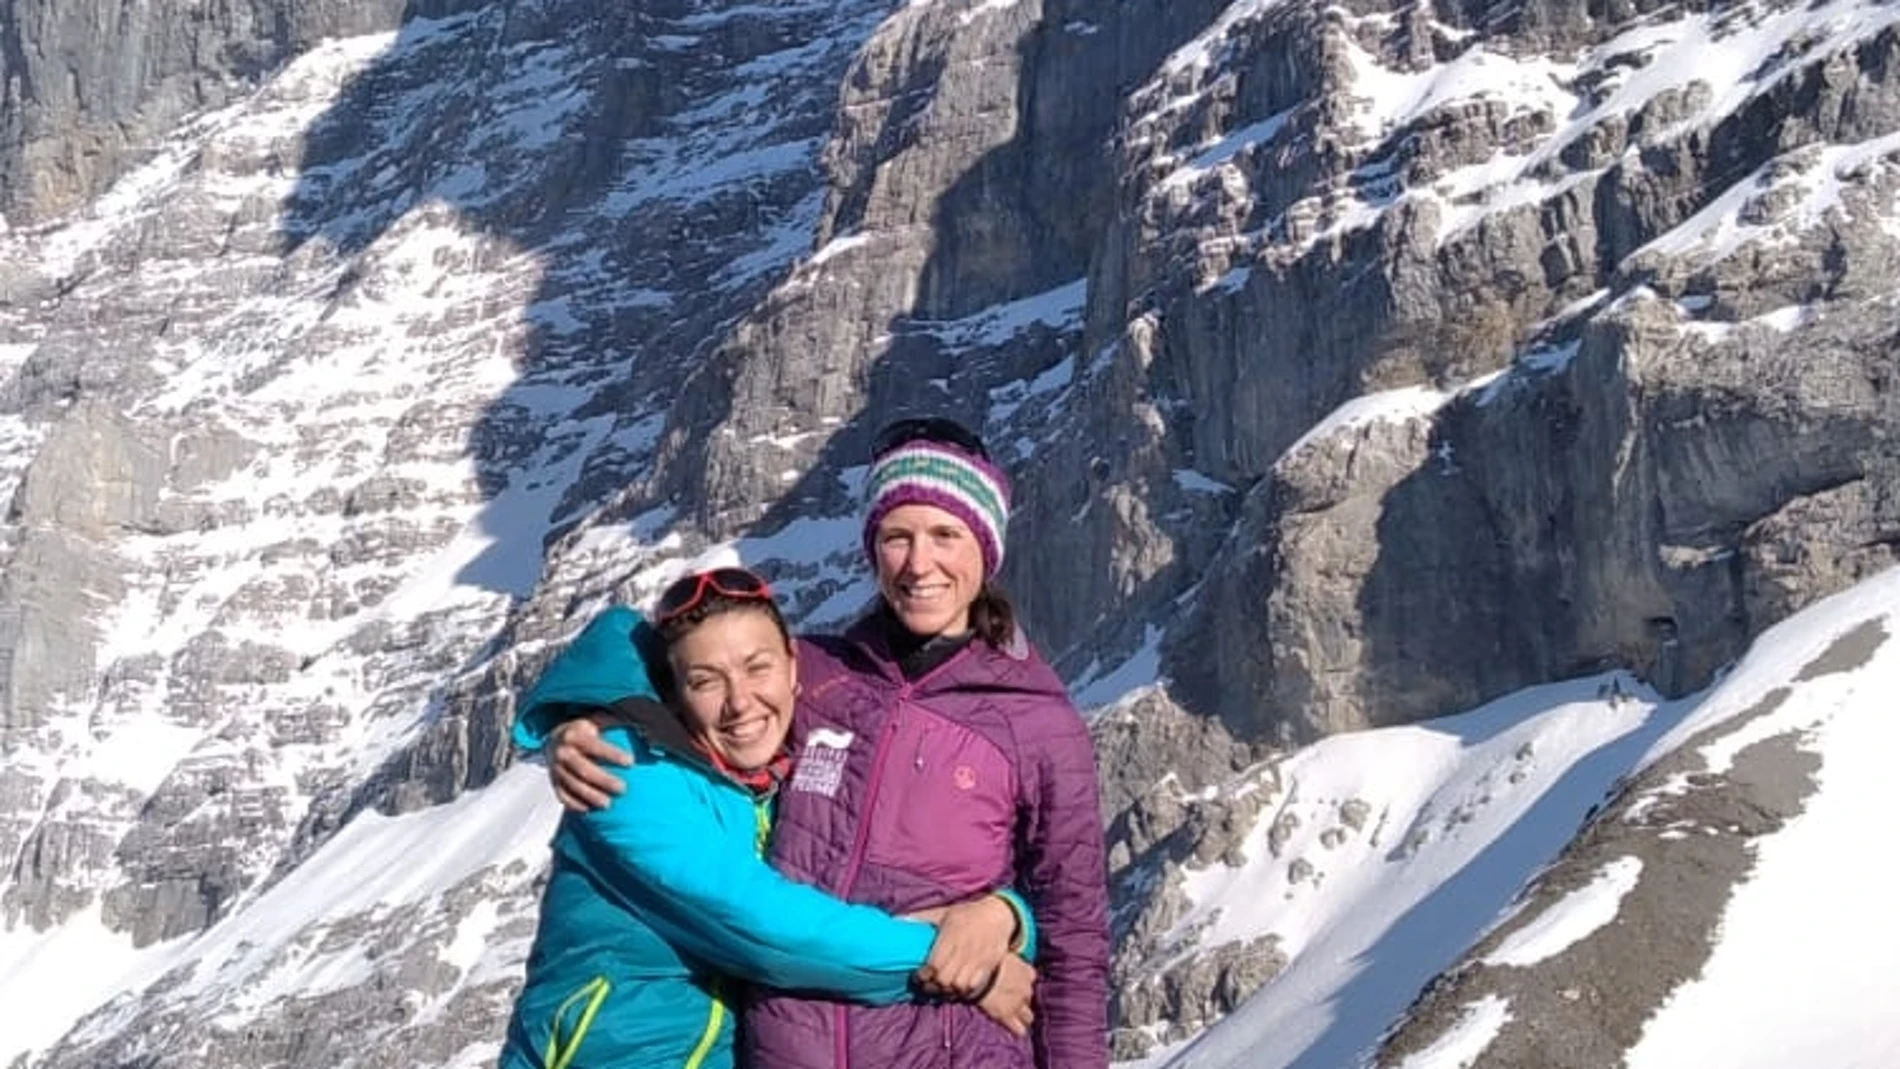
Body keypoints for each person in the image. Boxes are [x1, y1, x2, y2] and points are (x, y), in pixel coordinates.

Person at [546, 417, 1112, 1069]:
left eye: (945, 535)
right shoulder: (812, 673)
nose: (919, 563)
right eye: (897, 537)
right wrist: (586, 713)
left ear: (987, 549)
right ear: (873, 549)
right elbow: (669, 653)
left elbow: (1075, 933)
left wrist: (1007, 915)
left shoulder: (1037, 721)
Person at [499, 567, 1038, 1069]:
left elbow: (875, 890)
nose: (740, 703)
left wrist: (1002, 918)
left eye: (758, 668)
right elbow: (762, 927)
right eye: (707, 681)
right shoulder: (620, 769)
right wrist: (967, 972)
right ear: (674, 691)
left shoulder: (780, 775)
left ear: (793, 665)